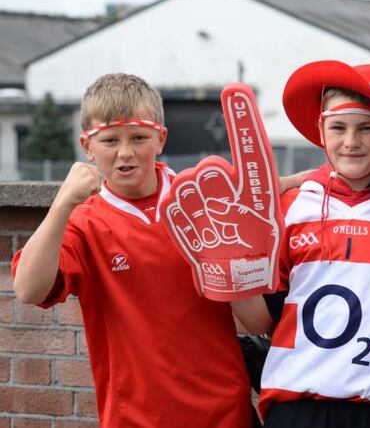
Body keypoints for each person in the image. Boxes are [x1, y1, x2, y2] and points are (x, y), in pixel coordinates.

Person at [11, 73, 252, 427]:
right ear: (87, 146)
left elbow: (259, 196)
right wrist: (61, 203)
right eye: (110, 140)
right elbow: (28, 290)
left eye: (139, 137)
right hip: (135, 417)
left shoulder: (199, 200)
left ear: (160, 138)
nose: (125, 152)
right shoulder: (85, 221)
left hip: (224, 411)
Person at [230, 61, 370, 428]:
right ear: (321, 131)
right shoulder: (291, 207)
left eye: (366, 128)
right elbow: (263, 319)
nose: (351, 142)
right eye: (338, 127)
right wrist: (228, 268)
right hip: (296, 406)